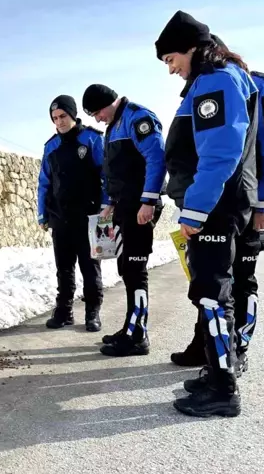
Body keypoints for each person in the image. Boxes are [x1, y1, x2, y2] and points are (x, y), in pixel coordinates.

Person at [170, 34, 264, 380]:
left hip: (244, 202)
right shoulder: (206, 86)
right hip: (222, 199)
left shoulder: (259, 87)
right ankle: (210, 351)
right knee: (216, 281)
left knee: (239, 281)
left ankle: (236, 352)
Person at [155, 10, 260, 417]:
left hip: (215, 207)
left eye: (170, 59)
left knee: (211, 295)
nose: (171, 69)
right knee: (215, 292)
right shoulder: (217, 78)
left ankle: (222, 388)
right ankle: (217, 372)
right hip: (218, 204)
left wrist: (195, 211)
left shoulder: (216, 80)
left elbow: (219, 153)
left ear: (192, 47)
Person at [81, 84, 167, 356]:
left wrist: (148, 200)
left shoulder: (137, 118)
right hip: (124, 207)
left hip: (140, 207)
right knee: (127, 269)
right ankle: (130, 326)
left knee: (135, 270)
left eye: (97, 112)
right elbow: (112, 171)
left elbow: (156, 158)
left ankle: (138, 335)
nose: (97, 118)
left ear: (109, 103)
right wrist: (108, 203)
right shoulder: (113, 127)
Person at [37, 95, 107, 332]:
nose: (59, 122)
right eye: (55, 118)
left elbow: (106, 177)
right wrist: (42, 214)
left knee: (90, 268)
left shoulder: (92, 139)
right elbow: (44, 183)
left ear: (73, 115)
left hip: (89, 218)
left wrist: (106, 207)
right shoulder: (50, 146)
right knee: (64, 269)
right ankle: (64, 312)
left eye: (63, 116)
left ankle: (92, 313)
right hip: (61, 218)